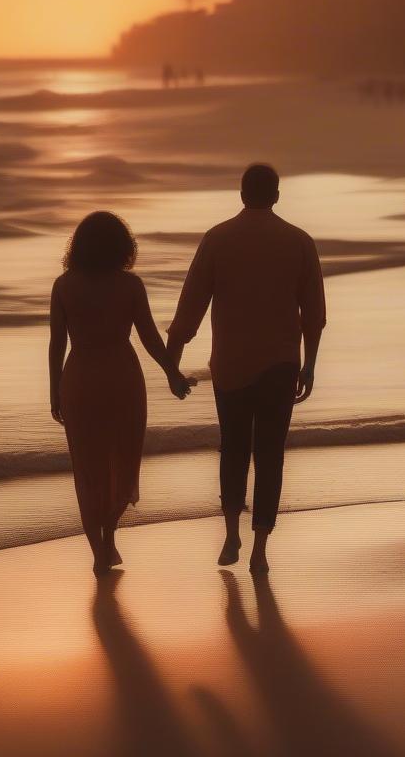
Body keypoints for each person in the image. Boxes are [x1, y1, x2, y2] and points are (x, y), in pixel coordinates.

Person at [167, 164, 326, 574]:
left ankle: (232, 533)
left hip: (232, 365)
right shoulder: (299, 242)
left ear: (242, 195)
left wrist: (171, 362)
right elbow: (314, 314)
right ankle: (259, 550)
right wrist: (309, 366)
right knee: (270, 454)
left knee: (234, 448)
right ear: (275, 196)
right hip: (281, 363)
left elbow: (190, 307)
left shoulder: (218, 239)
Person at [49, 211, 196, 574]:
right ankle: (110, 537)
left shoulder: (64, 286)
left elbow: (56, 343)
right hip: (122, 380)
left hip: (80, 380)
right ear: (122, 246)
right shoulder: (130, 286)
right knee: (123, 464)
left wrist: (54, 390)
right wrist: (172, 374)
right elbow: (148, 338)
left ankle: (99, 550)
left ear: (78, 246)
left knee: (88, 469)